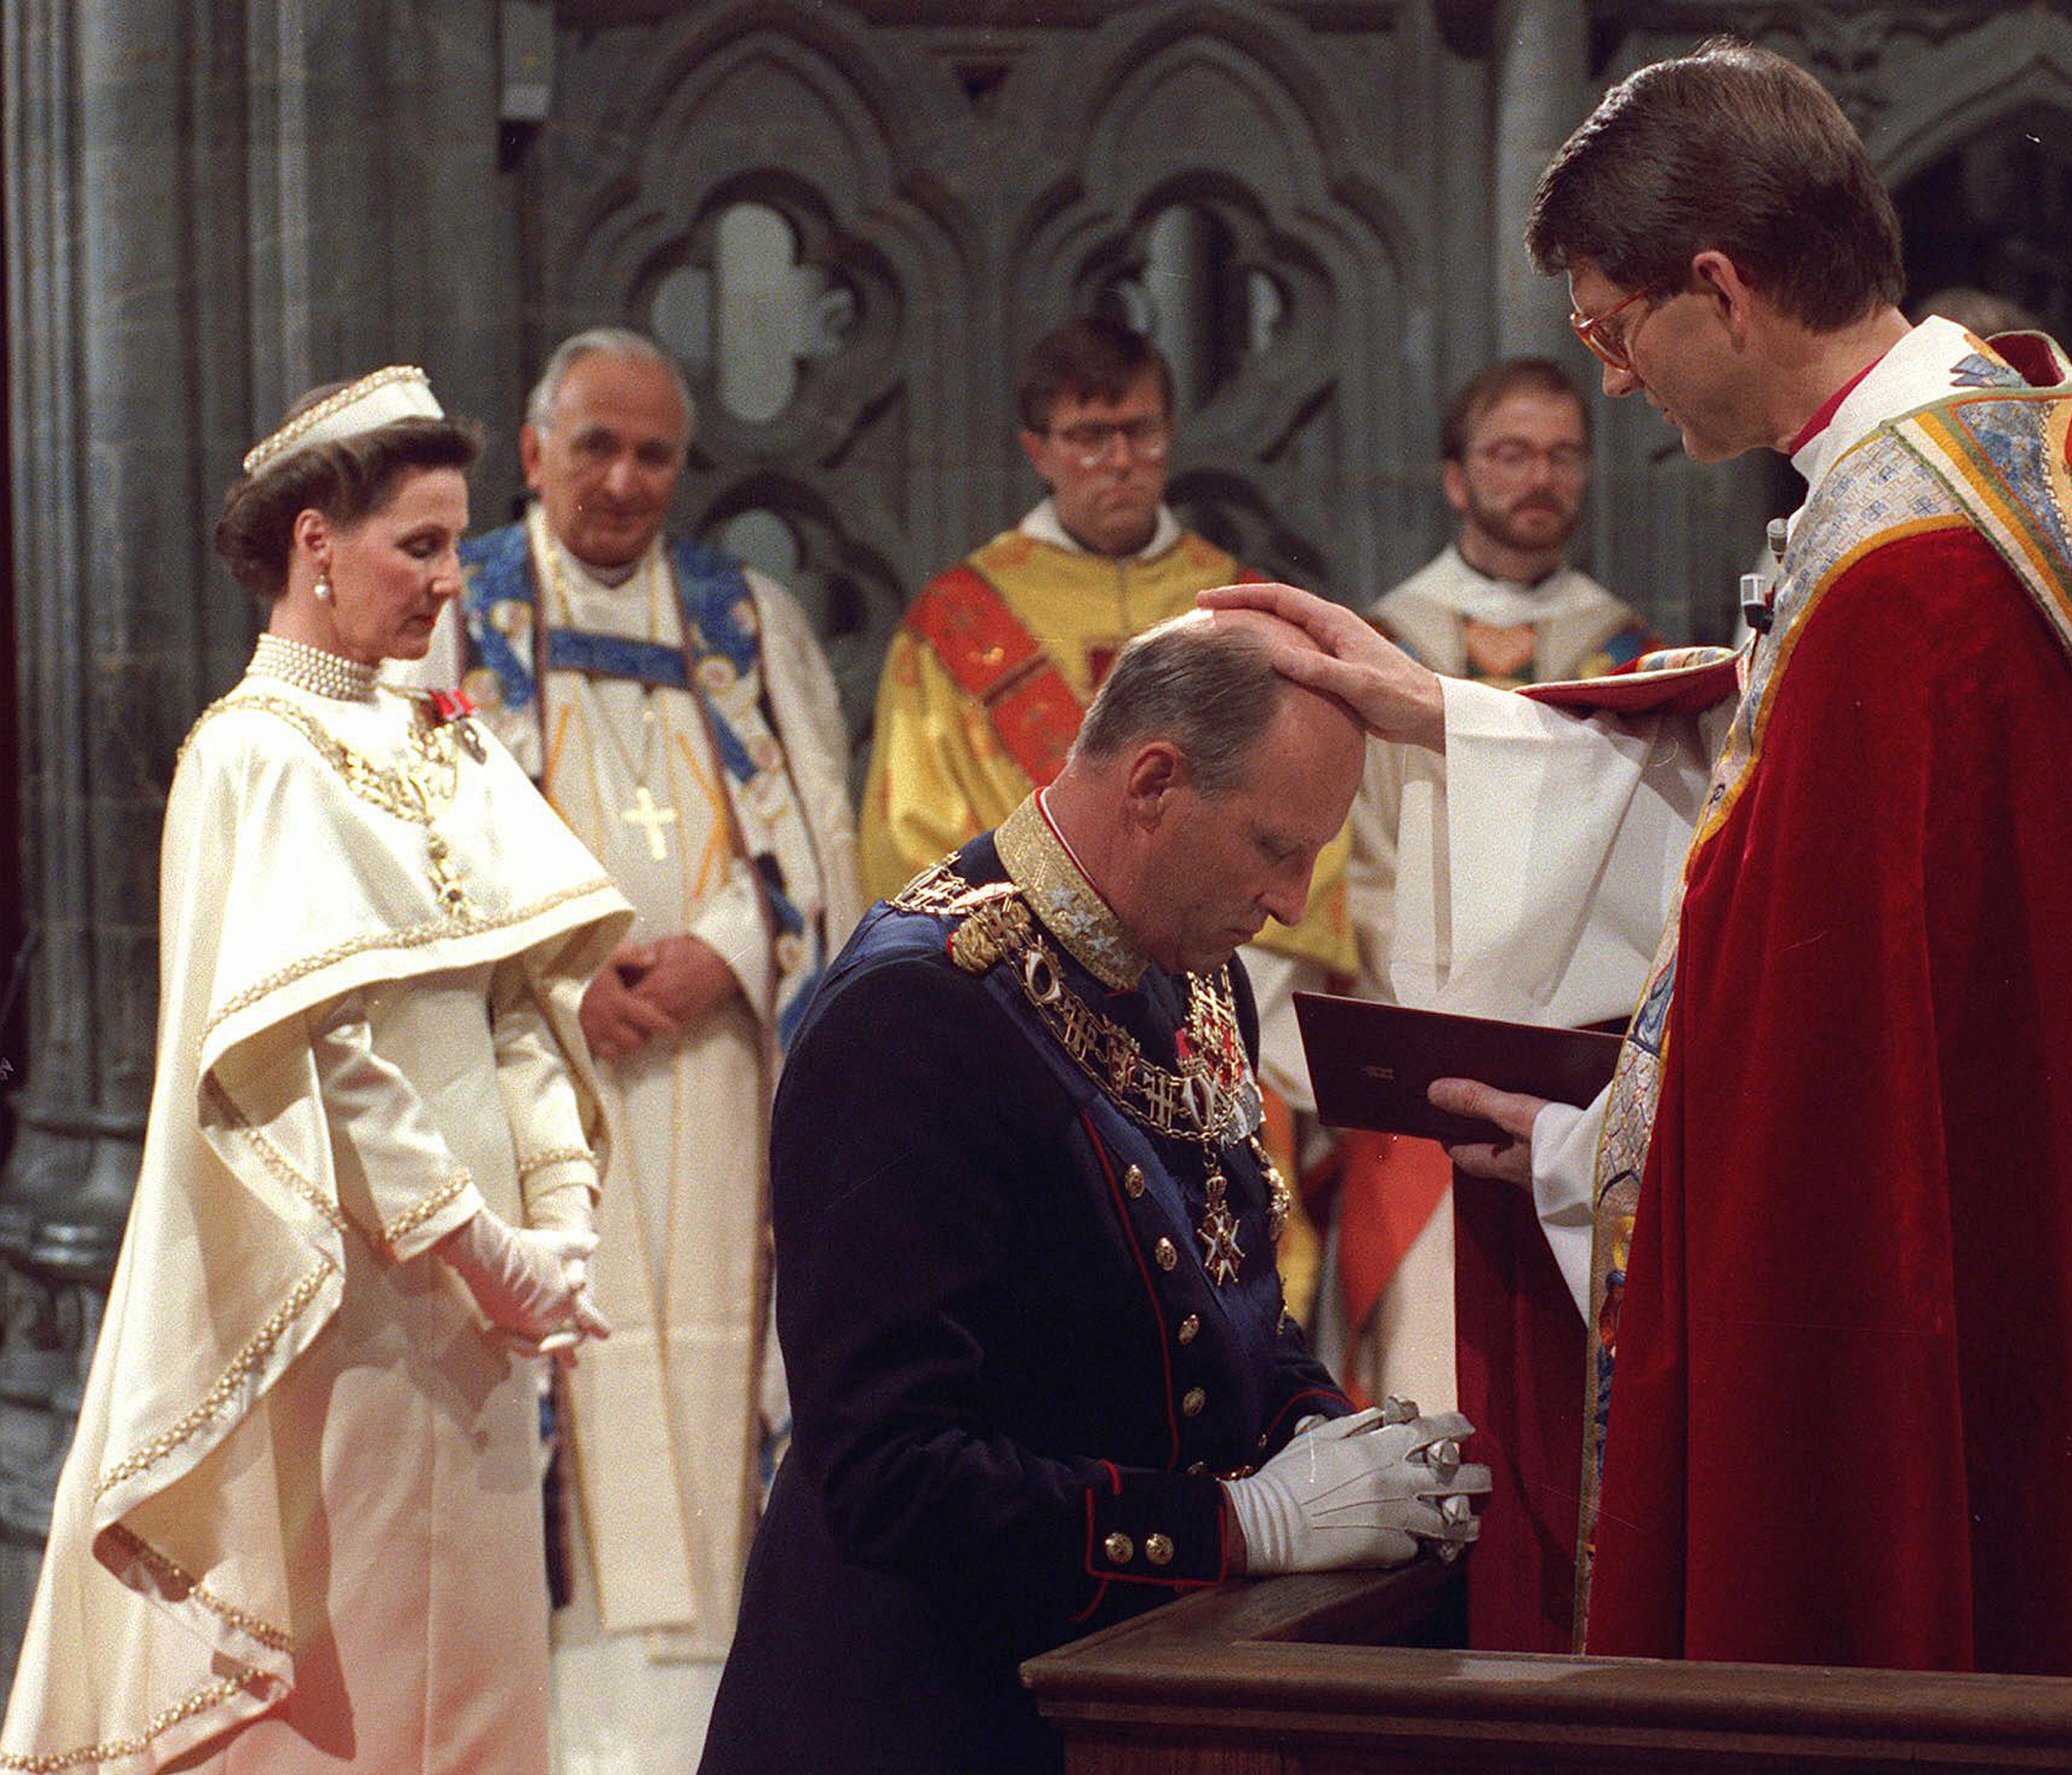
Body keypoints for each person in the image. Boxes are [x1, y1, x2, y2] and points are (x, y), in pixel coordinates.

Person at [1206, 38, 2072, 1775]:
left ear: (1717, 288)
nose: (1621, 382)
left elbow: (1823, 1107)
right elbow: (1770, 750)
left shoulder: (1908, 570)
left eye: (1614, 329)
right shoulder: (2000, 437)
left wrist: (1571, 1158)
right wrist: (1450, 713)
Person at [701, 610, 1488, 1775]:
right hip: (926, 1710)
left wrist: (1349, 1449)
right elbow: (890, 1472)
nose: (1292, 896)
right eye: (1276, 845)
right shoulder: (912, 1013)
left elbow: (1234, 1322)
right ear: (1155, 782)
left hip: (1136, 1687)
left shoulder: (1197, 973)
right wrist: (1245, 1522)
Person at [1, 365, 632, 1770]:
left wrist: (561, 1221)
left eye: (457, 542)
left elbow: (526, 1000)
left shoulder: (445, 740)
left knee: (477, 1665)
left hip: (484, 1303)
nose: (447, 581)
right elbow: (315, 1051)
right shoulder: (252, 755)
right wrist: (476, 1242)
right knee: (352, 1673)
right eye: (419, 544)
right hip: (345, 1291)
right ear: (314, 543)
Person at [413, 327, 863, 1773]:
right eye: (592, 445)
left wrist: (723, 952)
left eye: (653, 451)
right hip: (528, 1082)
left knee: (714, 1357)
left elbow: (814, 838)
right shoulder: (453, 616)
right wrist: (555, 975)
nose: (621, 478)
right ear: (533, 451)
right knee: (577, 1362)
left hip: (719, 1068)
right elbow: (409, 850)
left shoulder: (745, 623)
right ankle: (563, 1727)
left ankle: (724, 1719)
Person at [858, 316, 1355, 1315]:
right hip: (1029, 1019)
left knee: (1238, 1284)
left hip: (1215, 1004)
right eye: (1089, 437)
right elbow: (916, 848)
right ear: (1038, 449)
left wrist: (1216, 971)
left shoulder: (1240, 608)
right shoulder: (958, 620)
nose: (1119, 461)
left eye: (1140, 431)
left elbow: (1309, 823)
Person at [1335, 356, 1660, 1414]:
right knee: (1430, 1398)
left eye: (1566, 455)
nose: (1542, 478)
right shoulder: (1380, 654)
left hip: (1587, 1088)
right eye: (1512, 454)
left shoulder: (1636, 660)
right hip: (1423, 1071)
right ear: (1455, 477)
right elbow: (1348, 868)